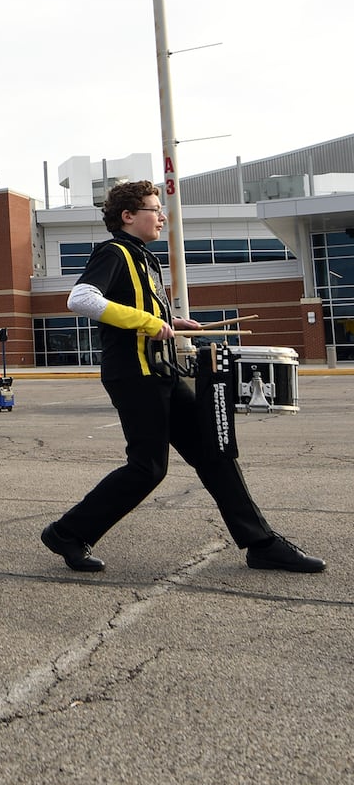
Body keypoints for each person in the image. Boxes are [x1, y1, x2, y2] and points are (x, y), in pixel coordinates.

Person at [42, 180, 325, 574]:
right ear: (128, 216)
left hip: (162, 371)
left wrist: (169, 320)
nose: (162, 217)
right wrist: (146, 321)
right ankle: (67, 532)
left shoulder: (145, 259)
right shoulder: (114, 252)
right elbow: (81, 299)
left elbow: (139, 309)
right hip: (134, 374)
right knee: (147, 468)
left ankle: (261, 543)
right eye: (154, 209)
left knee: (214, 453)